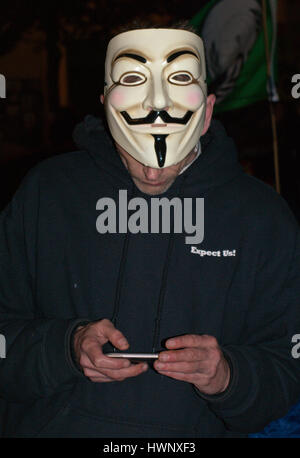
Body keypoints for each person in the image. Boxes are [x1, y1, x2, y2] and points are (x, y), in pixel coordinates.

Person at [0, 23, 300, 439]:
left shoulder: (264, 219)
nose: (153, 167)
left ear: (208, 110)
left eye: (180, 78)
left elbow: (286, 369)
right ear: (106, 105)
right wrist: (64, 349)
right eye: (132, 79)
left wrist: (226, 376)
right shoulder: (46, 193)